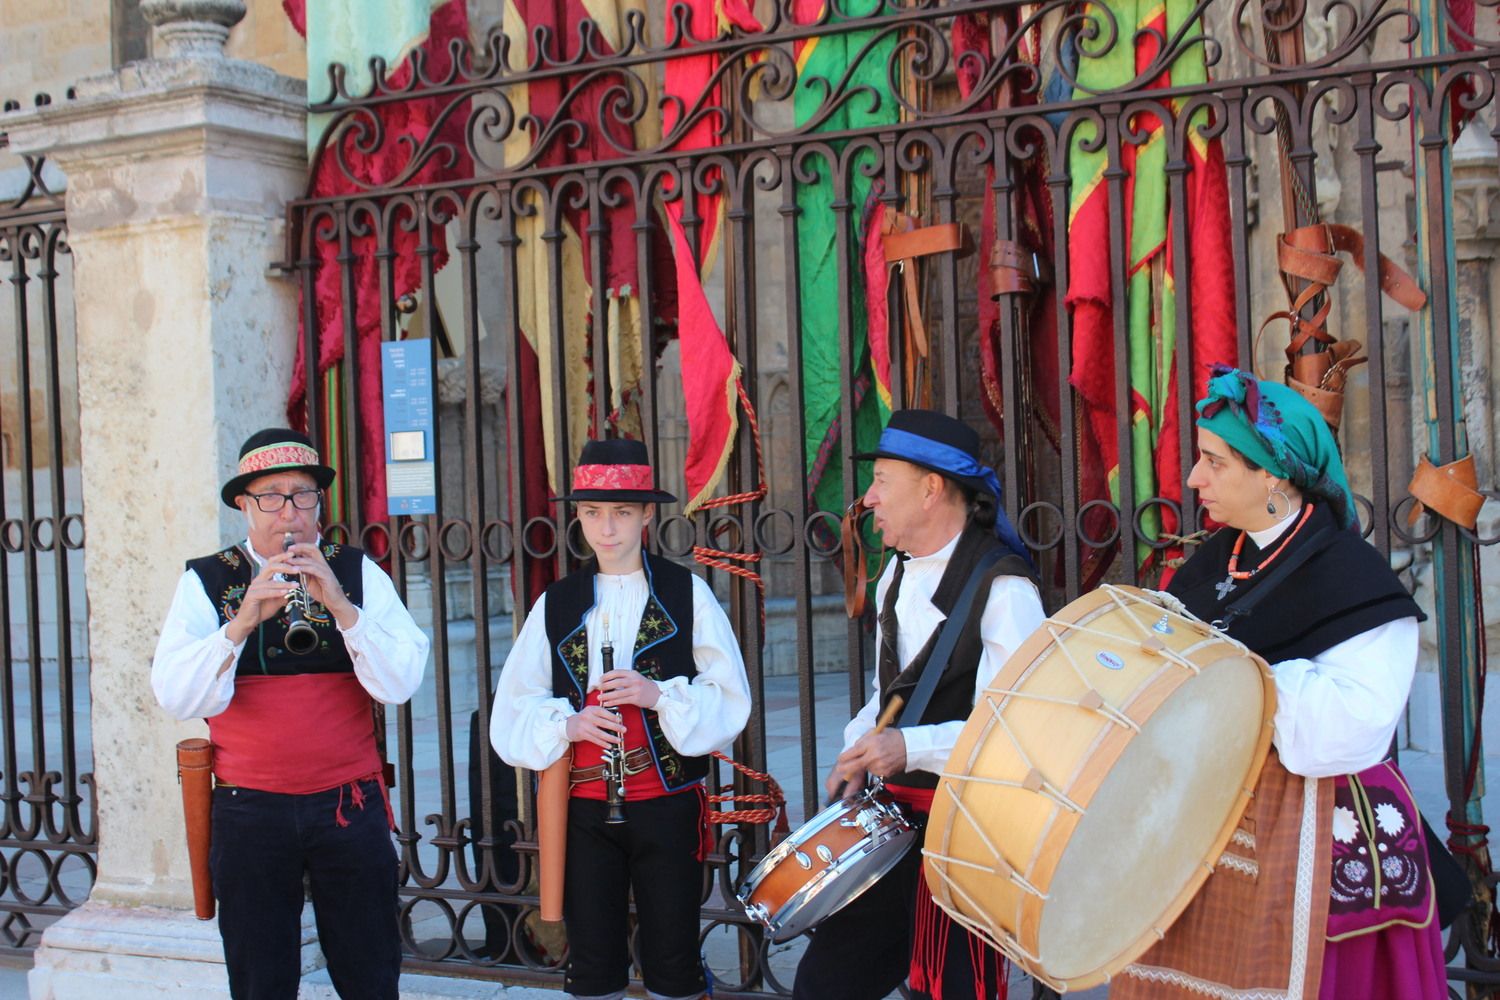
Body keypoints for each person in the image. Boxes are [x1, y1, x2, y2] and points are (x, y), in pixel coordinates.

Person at [1110, 366, 1444, 999]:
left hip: (1311, 833)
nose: (1192, 479)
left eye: (1213, 461)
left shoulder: (1353, 578)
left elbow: (1353, 730)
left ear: (1271, 473)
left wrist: (1232, 676)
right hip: (1200, 834)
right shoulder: (1215, 558)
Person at [151, 428, 429, 1000]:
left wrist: (340, 606)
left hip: (348, 805)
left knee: (371, 968)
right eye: (271, 497)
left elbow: (401, 682)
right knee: (259, 975)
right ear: (244, 505)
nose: (289, 513)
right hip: (247, 808)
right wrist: (242, 622)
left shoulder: (355, 571)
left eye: (303, 495)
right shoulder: (207, 580)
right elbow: (177, 695)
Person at [793, 409, 1046, 1000]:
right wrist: (862, 745)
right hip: (891, 825)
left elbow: (1015, 731)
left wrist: (910, 745)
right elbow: (896, 692)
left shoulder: (1006, 592)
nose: (868, 497)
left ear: (931, 489)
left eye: (882, 479)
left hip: (964, 836)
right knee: (825, 984)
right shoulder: (894, 578)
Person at [491, 438, 752, 1000]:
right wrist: (569, 725)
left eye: (622, 513)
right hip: (585, 809)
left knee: (673, 956)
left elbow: (730, 695)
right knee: (591, 962)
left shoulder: (687, 593)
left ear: (647, 515)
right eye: (592, 513)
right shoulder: (557, 602)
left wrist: (657, 695)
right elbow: (515, 701)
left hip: (665, 802)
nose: (606, 528)